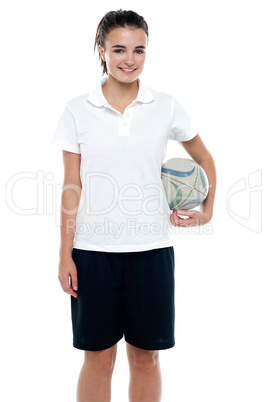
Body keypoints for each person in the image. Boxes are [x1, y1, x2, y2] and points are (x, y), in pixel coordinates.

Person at [52, 9, 216, 402]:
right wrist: (64, 254)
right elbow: (71, 185)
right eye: (119, 49)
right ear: (102, 50)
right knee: (98, 359)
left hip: (152, 252)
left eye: (139, 50)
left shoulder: (166, 105)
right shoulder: (77, 109)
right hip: (93, 254)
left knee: (146, 359)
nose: (130, 59)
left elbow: (205, 159)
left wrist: (207, 210)